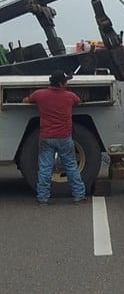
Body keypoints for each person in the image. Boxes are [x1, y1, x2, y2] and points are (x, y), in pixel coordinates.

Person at [22, 70, 86, 205]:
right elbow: (79, 101)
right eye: (66, 81)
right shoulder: (70, 96)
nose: (67, 83)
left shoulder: (40, 94)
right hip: (64, 137)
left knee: (45, 168)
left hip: (46, 136)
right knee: (71, 167)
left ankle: (43, 198)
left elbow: (26, 100)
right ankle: (79, 195)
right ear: (61, 83)